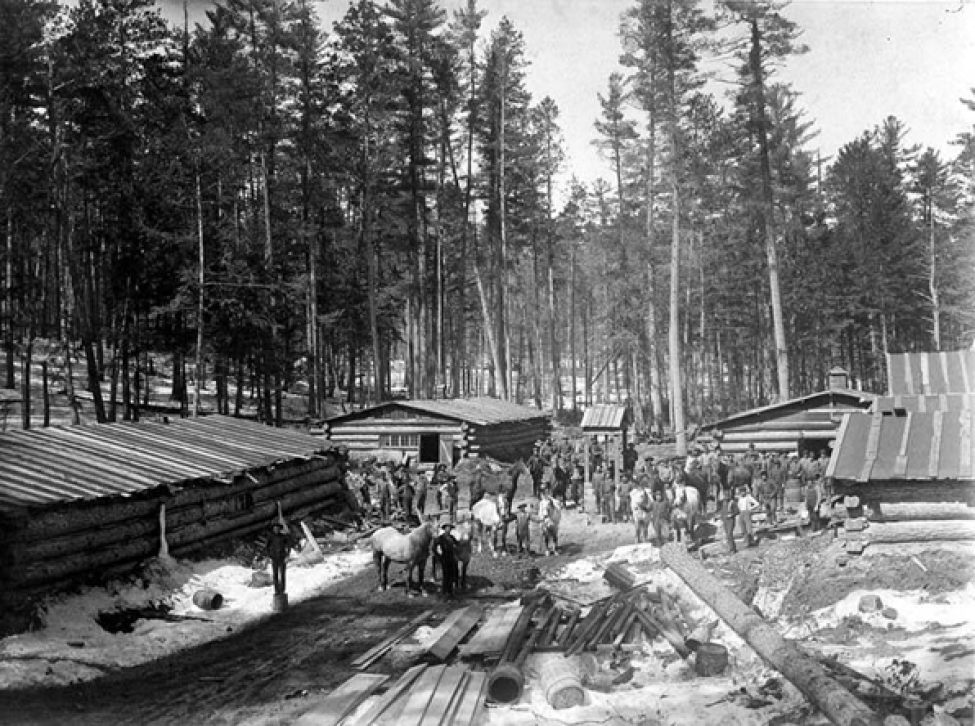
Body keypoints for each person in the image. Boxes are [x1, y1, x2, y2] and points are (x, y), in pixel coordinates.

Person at [433, 523, 459, 596]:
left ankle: (450, 591)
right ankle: (445, 591)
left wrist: (456, 547)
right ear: (444, 529)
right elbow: (434, 547)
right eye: (447, 528)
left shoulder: (452, 537)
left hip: (452, 557)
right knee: (445, 575)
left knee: (451, 574)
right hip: (444, 557)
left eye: (450, 528)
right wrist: (438, 556)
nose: (448, 529)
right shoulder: (441, 538)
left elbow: (458, 544)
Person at [267, 521, 290, 595]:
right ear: (273, 529)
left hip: (282, 558)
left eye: (277, 528)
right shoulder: (271, 537)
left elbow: (289, 546)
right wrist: (270, 556)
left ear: (280, 529)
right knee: (275, 575)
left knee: (282, 574)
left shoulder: (283, 537)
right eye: (274, 529)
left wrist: (287, 555)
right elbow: (266, 547)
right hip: (274, 558)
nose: (276, 530)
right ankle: (276, 590)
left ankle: (282, 589)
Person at [629, 478, 651, 544]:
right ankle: (637, 539)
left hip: (645, 509)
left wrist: (647, 506)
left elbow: (649, 500)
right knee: (637, 526)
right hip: (636, 510)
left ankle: (645, 538)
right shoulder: (633, 492)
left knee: (645, 526)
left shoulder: (647, 491)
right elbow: (632, 500)